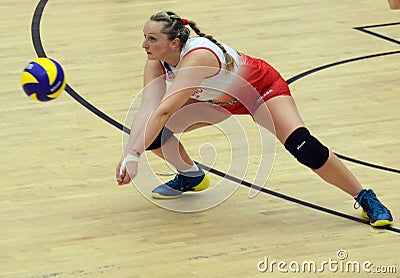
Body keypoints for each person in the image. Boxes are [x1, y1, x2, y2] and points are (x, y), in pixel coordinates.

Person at [116, 11, 393, 227]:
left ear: (174, 43)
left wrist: (134, 155)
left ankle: (365, 196)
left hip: (261, 91)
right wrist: (130, 152)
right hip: (219, 101)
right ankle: (191, 176)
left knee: (303, 146)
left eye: (152, 39)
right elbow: (148, 109)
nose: (144, 44)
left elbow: (164, 109)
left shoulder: (198, 56)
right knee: (151, 132)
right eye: (144, 37)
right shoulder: (156, 60)